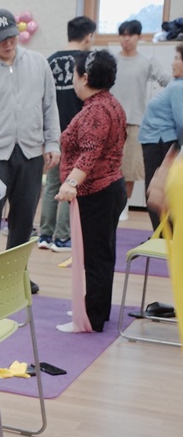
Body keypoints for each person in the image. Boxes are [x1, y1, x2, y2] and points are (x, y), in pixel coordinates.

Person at [0, 8, 60, 301]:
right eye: (1, 38)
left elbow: (49, 107)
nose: (8, 43)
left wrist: (52, 143)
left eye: (12, 37)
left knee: (23, 220)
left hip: (30, 152)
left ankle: (14, 275)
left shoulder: (38, 63)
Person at [55, 50, 127, 332]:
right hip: (110, 188)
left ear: (84, 77)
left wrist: (71, 183)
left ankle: (92, 319)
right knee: (102, 255)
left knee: (96, 257)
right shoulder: (109, 103)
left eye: (74, 75)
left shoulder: (96, 110)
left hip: (99, 192)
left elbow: (90, 152)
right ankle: (96, 309)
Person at [38, 16, 97, 252]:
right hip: (77, 133)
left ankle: (45, 235)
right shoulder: (87, 61)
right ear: (88, 36)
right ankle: (62, 238)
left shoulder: (49, 61)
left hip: (53, 134)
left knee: (52, 184)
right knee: (69, 183)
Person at [110, 19, 171, 218]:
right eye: (123, 35)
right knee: (109, 167)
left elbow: (167, 81)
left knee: (129, 168)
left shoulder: (146, 62)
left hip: (135, 121)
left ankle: (124, 207)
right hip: (111, 121)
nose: (126, 39)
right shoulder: (112, 61)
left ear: (139, 37)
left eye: (130, 35)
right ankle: (112, 206)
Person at [139, 42, 183, 231]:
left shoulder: (178, 87)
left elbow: (181, 121)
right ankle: (162, 234)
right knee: (157, 191)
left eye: (177, 58)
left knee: (156, 192)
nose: (173, 62)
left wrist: (176, 150)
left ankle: (164, 235)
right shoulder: (175, 84)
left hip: (161, 142)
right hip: (157, 141)